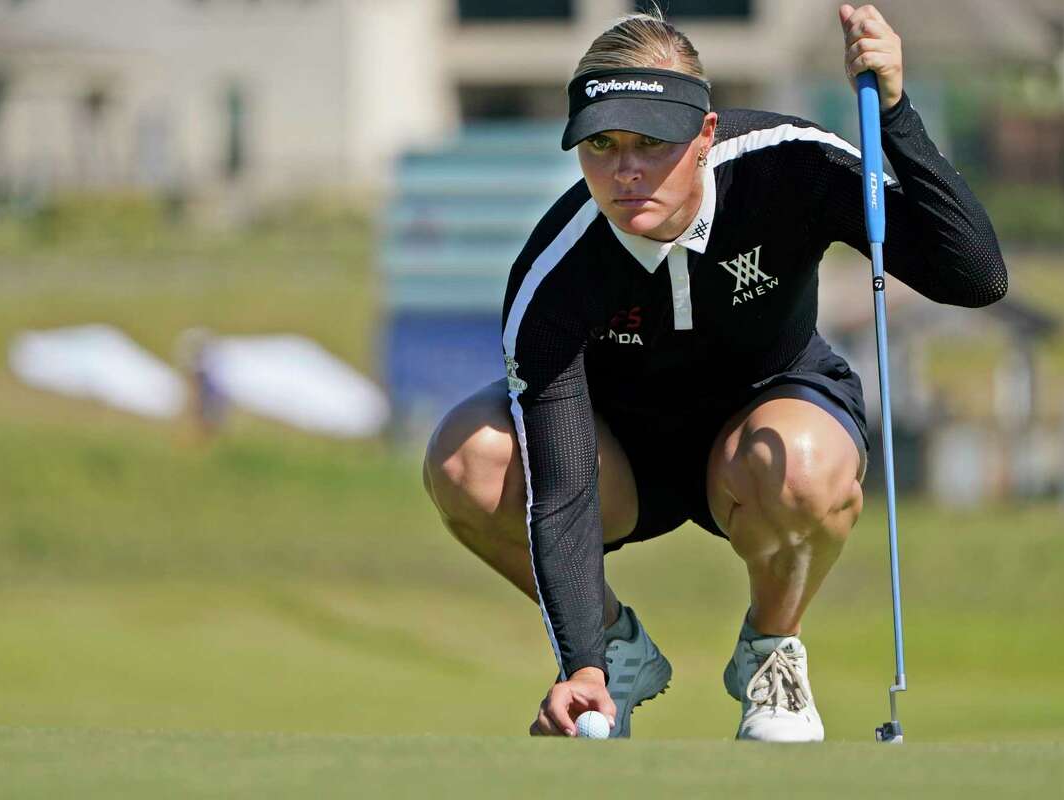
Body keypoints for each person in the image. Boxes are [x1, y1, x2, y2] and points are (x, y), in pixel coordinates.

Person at [423, 3, 1006, 741]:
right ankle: (618, 655)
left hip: (772, 423)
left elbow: (975, 275)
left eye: (651, 141)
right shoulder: (557, 276)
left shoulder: (788, 163)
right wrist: (581, 664)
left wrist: (893, 111)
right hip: (623, 458)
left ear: (703, 135)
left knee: (798, 466)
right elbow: (564, 490)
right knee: (465, 459)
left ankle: (771, 653)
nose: (626, 169)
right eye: (601, 144)